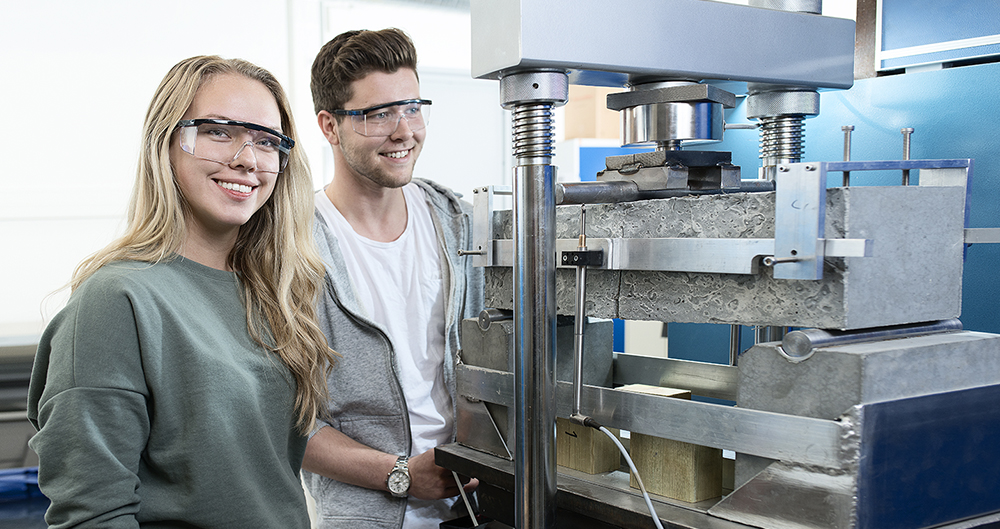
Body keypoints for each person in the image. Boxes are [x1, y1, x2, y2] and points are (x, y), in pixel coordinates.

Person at [27, 55, 337, 528]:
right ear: (166, 143)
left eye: (266, 141)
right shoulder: (116, 299)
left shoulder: (273, 293)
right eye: (218, 131)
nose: (246, 159)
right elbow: (92, 513)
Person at [302, 28, 485, 529]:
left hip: (477, 505)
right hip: (366, 516)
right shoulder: (294, 247)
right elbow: (282, 418)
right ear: (330, 126)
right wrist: (399, 474)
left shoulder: (460, 223)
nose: (403, 130)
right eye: (378, 114)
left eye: (411, 107)